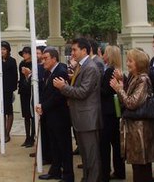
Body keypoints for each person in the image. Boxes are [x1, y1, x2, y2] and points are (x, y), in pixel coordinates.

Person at [54, 37, 102, 182]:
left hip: (88, 119)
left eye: (74, 49)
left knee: (92, 158)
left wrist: (63, 87)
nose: (72, 52)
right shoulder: (82, 66)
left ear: (84, 50)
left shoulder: (90, 67)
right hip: (81, 118)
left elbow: (82, 92)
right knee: (86, 157)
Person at [110, 48, 154, 182]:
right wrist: (122, 85)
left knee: (142, 168)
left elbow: (131, 103)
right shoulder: (135, 77)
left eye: (130, 61)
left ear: (138, 63)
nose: (128, 63)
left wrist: (119, 89)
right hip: (135, 129)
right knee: (138, 167)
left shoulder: (143, 79)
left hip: (140, 130)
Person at [36, 47, 74, 182]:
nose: (43, 61)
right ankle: (55, 171)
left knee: (64, 147)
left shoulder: (61, 72)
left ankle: (68, 176)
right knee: (54, 146)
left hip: (60, 117)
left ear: (54, 58)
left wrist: (43, 106)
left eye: (46, 58)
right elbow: (45, 92)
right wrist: (41, 105)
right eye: (42, 58)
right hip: (50, 116)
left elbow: (58, 96)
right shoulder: (48, 72)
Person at [100, 45, 125, 181]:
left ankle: (105, 174)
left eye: (105, 53)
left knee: (105, 144)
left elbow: (107, 91)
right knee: (116, 144)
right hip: (114, 112)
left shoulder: (110, 71)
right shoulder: (116, 70)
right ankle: (120, 171)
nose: (102, 55)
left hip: (108, 112)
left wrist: (96, 86)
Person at [0, 40, 18, 143]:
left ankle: (7, 134)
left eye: (4, 49)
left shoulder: (12, 61)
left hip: (7, 91)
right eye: (1, 49)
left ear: (8, 50)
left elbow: (15, 76)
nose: (2, 51)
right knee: (1, 112)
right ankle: (3, 133)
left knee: (8, 111)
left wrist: (11, 88)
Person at [18, 46, 35, 147]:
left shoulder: (34, 64)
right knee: (26, 115)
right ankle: (27, 136)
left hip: (30, 91)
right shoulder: (22, 63)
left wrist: (28, 74)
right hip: (23, 91)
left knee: (31, 114)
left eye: (26, 53)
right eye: (23, 53)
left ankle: (32, 137)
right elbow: (21, 78)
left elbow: (31, 79)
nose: (24, 55)